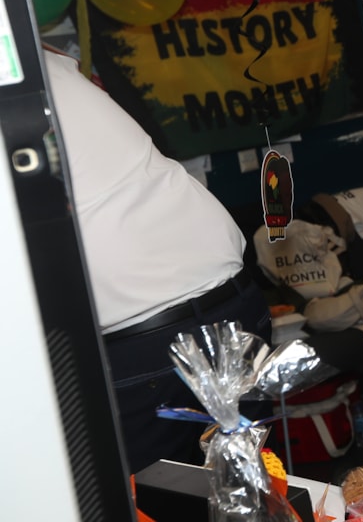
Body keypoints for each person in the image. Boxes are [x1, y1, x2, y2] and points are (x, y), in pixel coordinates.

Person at [42, 47, 272, 474]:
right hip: (233, 299)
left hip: (147, 338)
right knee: (245, 491)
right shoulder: (43, 61)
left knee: (145, 501)